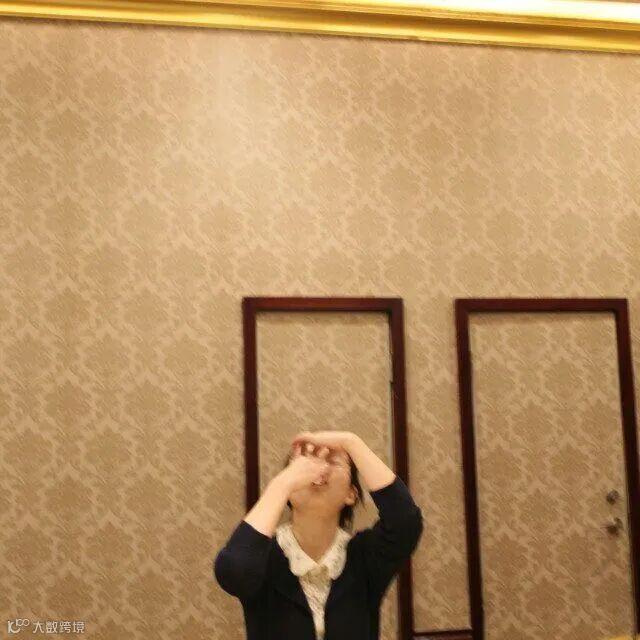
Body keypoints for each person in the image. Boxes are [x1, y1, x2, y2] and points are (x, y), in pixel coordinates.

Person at [213, 430, 424, 640]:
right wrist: (282, 484)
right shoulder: (262, 558)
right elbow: (234, 571)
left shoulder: (364, 557)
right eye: (305, 463)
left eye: (332, 461)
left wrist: (351, 442)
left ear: (351, 494)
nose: (318, 469)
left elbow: (405, 522)